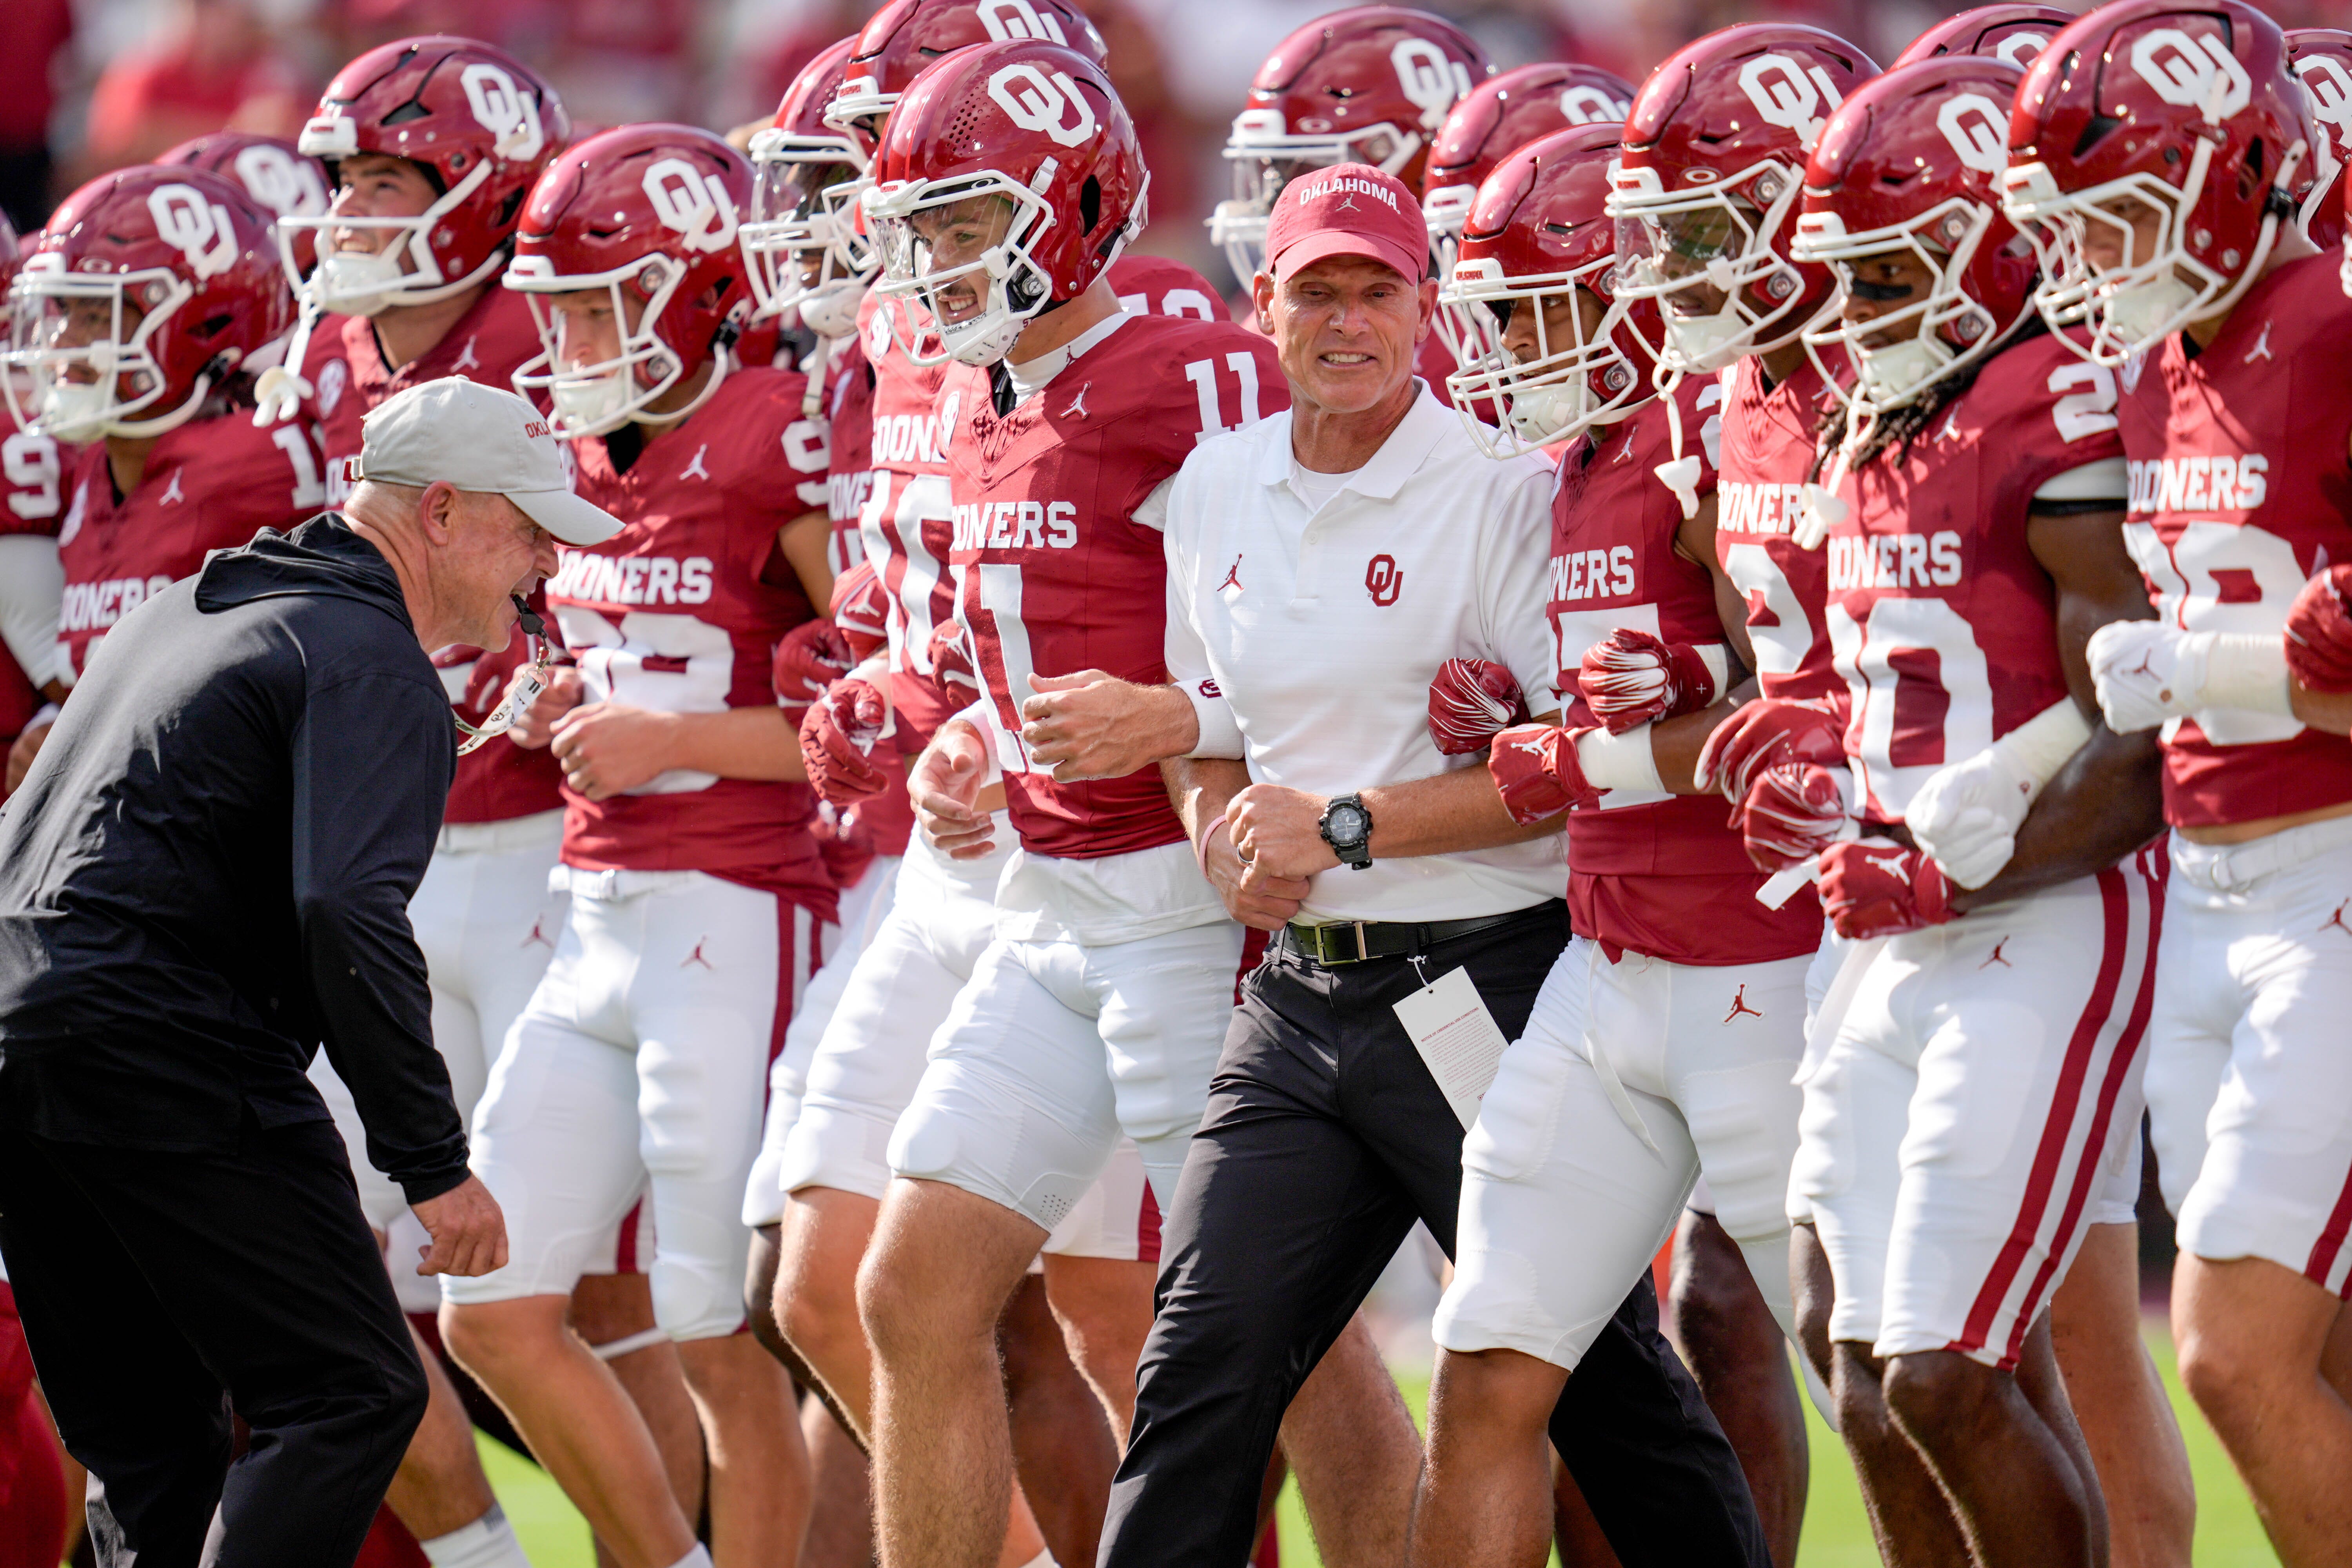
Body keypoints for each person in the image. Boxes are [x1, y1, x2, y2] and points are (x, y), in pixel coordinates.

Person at [0, 374, 619, 1568]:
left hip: (23, 1031)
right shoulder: (369, 659)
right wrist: (434, 1166)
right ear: (439, 513)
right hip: (159, 1039)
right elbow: (344, 908)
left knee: (158, 1441)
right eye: (530, 529)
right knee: (352, 1393)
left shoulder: (189, 605)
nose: (547, 563)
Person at [1405, 121, 1821, 1568]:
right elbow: (1642, 695)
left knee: (1885, 1388)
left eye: (1533, 306)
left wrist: (1602, 739)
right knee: (1486, 1369)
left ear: (1632, 285)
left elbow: (1821, 707)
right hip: (1609, 960)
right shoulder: (1587, 454)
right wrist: (1527, 714)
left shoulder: (1725, 429)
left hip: (1762, 965)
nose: (1510, 345)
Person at [438, 122, 835, 1568]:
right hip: (594, 906)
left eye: (603, 302)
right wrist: (568, 704)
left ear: (701, 286)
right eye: (559, 306)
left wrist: (671, 740)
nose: (574, 337)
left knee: (711, 1317)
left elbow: (874, 710)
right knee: (487, 1302)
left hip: (736, 904)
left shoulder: (774, 433)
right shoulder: (577, 449)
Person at [2008, 5, 2352, 1562]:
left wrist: (2219, 671)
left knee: (2226, 1346)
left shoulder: (2335, 320)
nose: (2095, 250)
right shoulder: (2152, 365)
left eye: (2121, 207)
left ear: (2241, 169)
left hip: (2333, 880)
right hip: (2207, 896)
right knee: (2317, 1362)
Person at [2, 165, 327, 782]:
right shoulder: (91, 465)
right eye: (65, 311)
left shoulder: (260, 460)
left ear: (198, 324)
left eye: (98, 317)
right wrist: (59, 720)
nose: (65, 342)